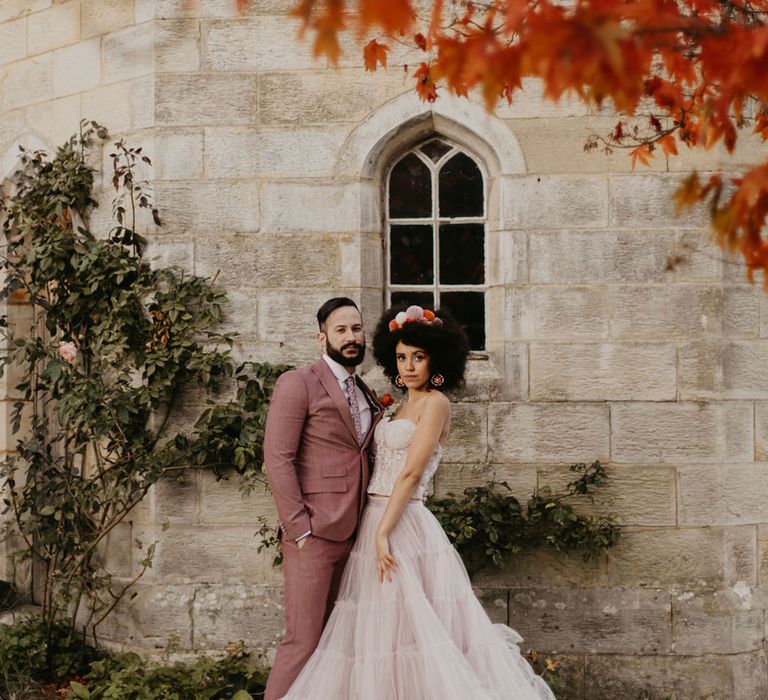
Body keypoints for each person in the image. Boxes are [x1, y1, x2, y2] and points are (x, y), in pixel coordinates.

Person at [280, 305, 556, 700]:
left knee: (416, 628)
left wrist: (384, 531)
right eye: (402, 357)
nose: (409, 366)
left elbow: (410, 474)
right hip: (373, 519)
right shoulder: (395, 406)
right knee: (378, 633)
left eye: (419, 357)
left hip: (400, 522)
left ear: (436, 360)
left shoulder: (435, 404)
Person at [263, 297, 383, 700]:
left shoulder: (365, 390)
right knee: (303, 642)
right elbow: (277, 458)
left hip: (357, 532)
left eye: (356, 329)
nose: (351, 338)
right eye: (341, 330)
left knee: (338, 643)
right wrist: (299, 529)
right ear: (322, 337)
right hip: (313, 534)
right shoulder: (298, 382)